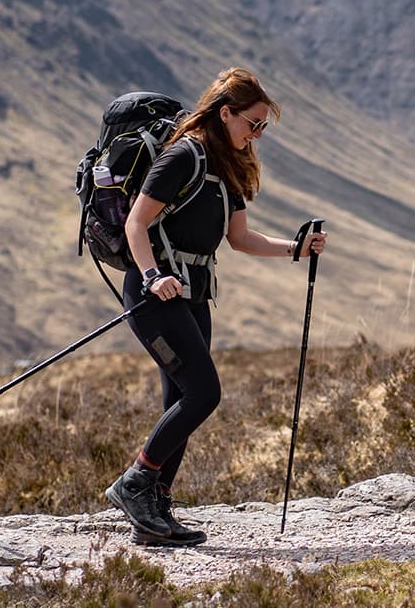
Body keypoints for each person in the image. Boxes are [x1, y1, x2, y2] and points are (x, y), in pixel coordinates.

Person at [105, 67, 326, 546]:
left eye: (263, 127)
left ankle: (155, 511)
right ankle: (134, 484)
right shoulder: (182, 157)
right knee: (204, 393)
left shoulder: (226, 168)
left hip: (195, 295)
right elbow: (136, 225)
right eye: (253, 123)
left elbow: (240, 238)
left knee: (177, 400)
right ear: (225, 114)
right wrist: (151, 276)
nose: (257, 134)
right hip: (154, 295)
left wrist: (297, 248)